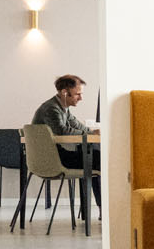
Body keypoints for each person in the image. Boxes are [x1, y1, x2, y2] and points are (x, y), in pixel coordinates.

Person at [31, 73, 101, 206]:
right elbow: (62, 131)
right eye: (77, 94)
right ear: (64, 93)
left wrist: (93, 132)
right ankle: (104, 208)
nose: (81, 98)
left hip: (54, 155)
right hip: (51, 159)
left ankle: (102, 207)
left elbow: (76, 124)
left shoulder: (62, 108)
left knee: (94, 156)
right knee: (98, 159)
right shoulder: (51, 109)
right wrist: (90, 134)